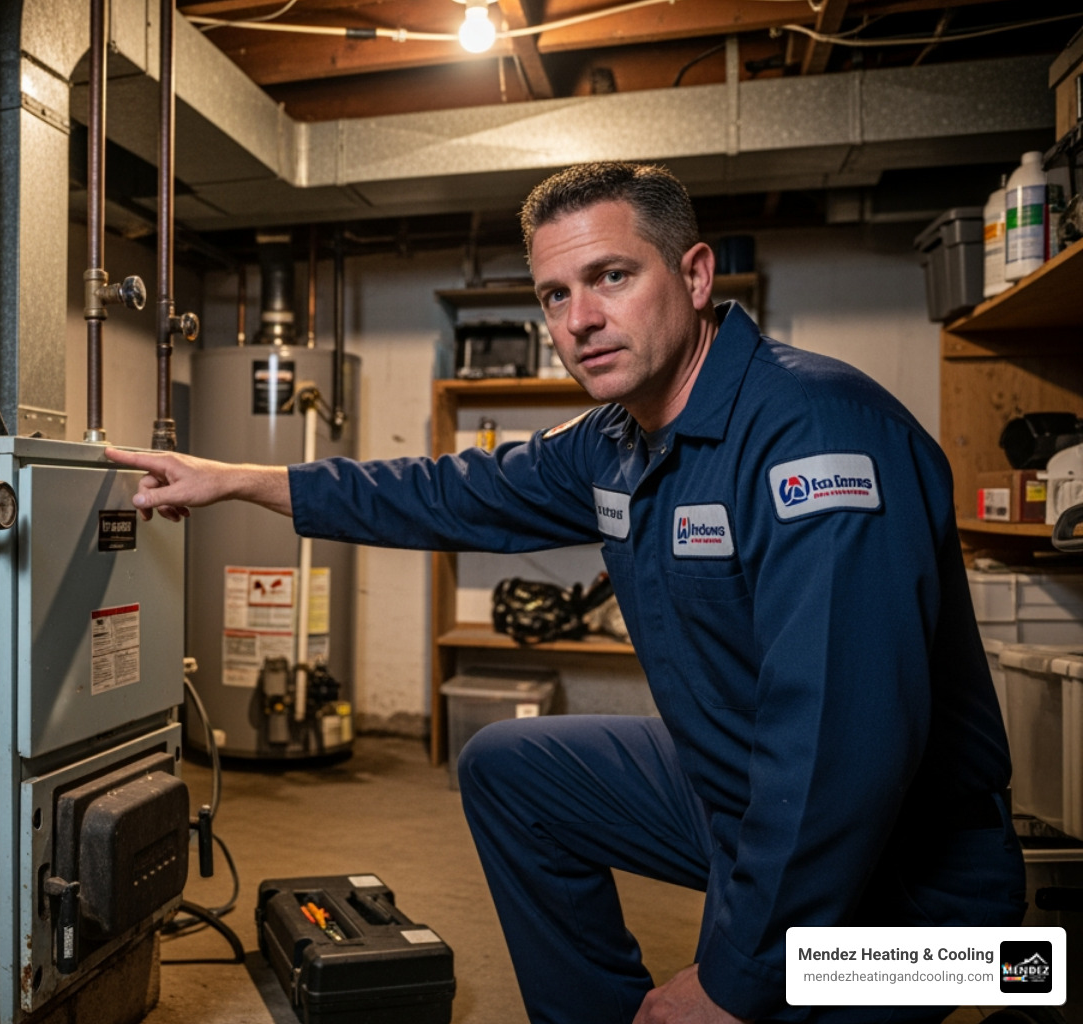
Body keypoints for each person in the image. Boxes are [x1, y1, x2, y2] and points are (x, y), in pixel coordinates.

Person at [104, 162, 1026, 1024]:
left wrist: (733, 983)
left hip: (918, 898)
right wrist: (235, 478)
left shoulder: (818, 438)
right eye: (555, 293)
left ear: (696, 274)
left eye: (613, 276)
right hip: (740, 798)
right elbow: (446, 491)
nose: (579, 318)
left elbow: (836, 756)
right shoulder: (617, 440)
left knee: (751, 984)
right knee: (512, 767)